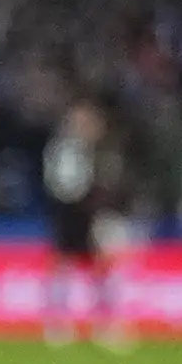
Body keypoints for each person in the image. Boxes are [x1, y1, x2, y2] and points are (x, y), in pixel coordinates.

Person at [41, 103, 134, 350]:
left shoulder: (101, 150)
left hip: (92, 214)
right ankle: (59, 322)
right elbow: (60, 185)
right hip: (72, 213)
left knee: (101, 267)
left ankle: (106, 323)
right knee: (65, 265)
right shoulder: (65, 150)